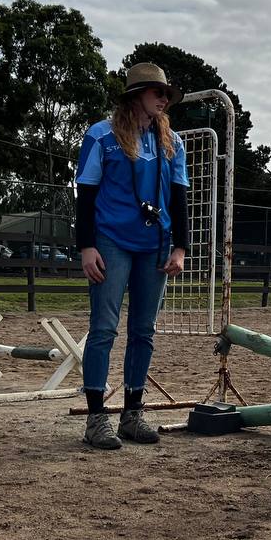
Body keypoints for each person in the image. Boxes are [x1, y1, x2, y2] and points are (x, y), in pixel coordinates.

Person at [74, 62, 190, 450]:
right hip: (110, 242)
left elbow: (179, 198)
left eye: (166, 95)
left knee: (144, 331)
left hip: (155, 246)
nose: (164, 99)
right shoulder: (101, 136)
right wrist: (86, 246)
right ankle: (95, 420)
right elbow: (86, 195)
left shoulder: (171, 142)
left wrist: (180, 247)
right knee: (104, 327)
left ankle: (132, 414)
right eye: (158, 93)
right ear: (137, 95)